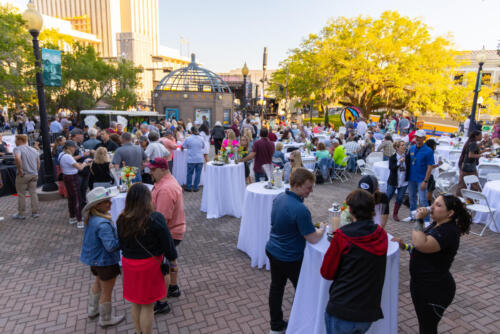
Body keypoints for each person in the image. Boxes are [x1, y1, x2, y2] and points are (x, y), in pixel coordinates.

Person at [392, 195, 471, 334]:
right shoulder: (437, 223)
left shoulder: (449, 231)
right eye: (433, 203)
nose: (432, 207)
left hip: (435, 289)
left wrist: (419, 219)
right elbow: (422, 249)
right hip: (422, 284)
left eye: (438, 205)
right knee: (425, 324)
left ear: (450, 213)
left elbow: (421, 243)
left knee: (428, 328)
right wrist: (404, 246)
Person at [265, 168, 325, 334]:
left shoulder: (279, 198)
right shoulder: (300, 209)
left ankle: (275, 326)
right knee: (304, 290)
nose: (311, 190)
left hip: (273, 249)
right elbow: (312, 238)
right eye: (308, 187)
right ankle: (305, 325)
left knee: (276, 288)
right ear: (297, 186)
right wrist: (323, 230)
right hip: (290, 256)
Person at [321, 189, 387, 334]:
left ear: (350, 210)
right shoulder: (381, 234)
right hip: (368, 310)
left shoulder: (342, 236)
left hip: (343, 308)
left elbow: (327, 272)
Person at [117, 183, 178, 334]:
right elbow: (168, 244)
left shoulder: (121, 219)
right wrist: (172, 260)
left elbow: (121, 244)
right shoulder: (155, 218)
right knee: (148, 305)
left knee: (136, 303)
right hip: (149, 265)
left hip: (129, 264)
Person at [80, 187, 124, 327]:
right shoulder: (103, 223)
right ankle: (106, 319)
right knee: (107, 291)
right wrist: (124, 239)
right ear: (97, 205)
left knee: (98, 283)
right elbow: (111, 246)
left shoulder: (91, 218)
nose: (110, 204)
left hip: (96, 260)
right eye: (106, 202)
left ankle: (93, 310)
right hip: (106, 261)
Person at [146, 158, 186, 313]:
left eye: (152, 169)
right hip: (173, 230)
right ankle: (173, 288)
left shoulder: (165, 189)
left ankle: (162, 302)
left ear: (162, 169)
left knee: (161, 268)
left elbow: (160, 220)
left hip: (168, 232)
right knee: (170, 260)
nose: (149, 172)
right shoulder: (166, 182)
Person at [59, 140, 90, 228]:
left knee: (71, 198)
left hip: (66, 176)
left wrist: (79, 163)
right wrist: (85, 163)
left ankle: (72, 217)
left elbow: (71, 164)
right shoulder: (68, 156)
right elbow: (80, 168)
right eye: (73, 147)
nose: (74, 149)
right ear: (69, 147)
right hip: (72, 177)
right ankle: (79, 220)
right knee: (77, 198)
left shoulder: (61, 154)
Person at [407, 130, 435, 221]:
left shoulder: (429, 151)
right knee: (412, 198)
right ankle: (413, 216)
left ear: (424, 138)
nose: (417, 139)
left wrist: (425, 181)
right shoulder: (411, 148)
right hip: (411, 178)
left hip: (421, 179)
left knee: (423, 200)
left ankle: (426, 220)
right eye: (416, 137)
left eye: (419, 137)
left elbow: (430, 167)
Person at [12, 134, 40, 220]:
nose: (15, 141)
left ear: (20, 140)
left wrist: (20, 170)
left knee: (21, 194)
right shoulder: (33, 149)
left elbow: (17, 157)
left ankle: (21, 213)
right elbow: (38, 162)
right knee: (33, 193)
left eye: (16, 140)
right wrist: (36, 171)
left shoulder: (17, 148)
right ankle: (35, 212)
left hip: (24, 175)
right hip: (34, 174)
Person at [456, 130, 486, 196]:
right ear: (476, 136)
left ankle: (462, 199)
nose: (482, 137)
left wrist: (485, 150)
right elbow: (471, 155)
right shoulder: (473, 143)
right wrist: (483, 155)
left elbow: (476, 151)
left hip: (466, 165)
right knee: (473, 184)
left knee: (464, 184)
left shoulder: (471, 142)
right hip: (468, 166)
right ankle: (470, 199)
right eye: (480, 135)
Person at [387, 140, 409, 221]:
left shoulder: (407, 157)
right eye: (402, 145)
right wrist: (399, 162)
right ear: (397, 147)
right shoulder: (393, 157)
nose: (404, 147)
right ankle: (384, 212)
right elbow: (392, 168)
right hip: (393, 181)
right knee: (388, 196)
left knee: (399, 198)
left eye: (404, 145)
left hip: (403, 182)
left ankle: (395, 214)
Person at [181, 126, 205, 192]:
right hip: (199, 159)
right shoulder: (201, 138)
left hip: (191, 159)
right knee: (198, 174)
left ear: (191, 131)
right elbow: (203, 147)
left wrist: (188, 147)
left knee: (189, 174)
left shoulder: (188, 138)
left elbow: (182, 147)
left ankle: (188, 187)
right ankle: (196, 187)